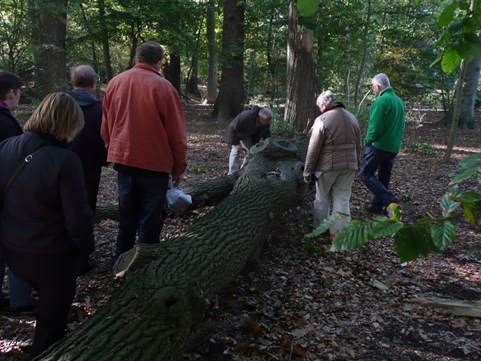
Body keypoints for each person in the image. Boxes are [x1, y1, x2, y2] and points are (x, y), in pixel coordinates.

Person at [0, 92, 95, 358]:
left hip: (13, 251)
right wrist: (85, 252)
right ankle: (46, 351)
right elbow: (79, 218)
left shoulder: (6, 146)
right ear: (69, 125)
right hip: (51, 257)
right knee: (51, 323)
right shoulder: (65, 161)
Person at [101, 41, 187, 260]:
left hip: (124, 159)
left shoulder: (115, 82)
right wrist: (179, 167)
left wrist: (113, 146)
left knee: (127, 212)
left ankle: (121, 259)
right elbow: (176, 134)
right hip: (155, 163)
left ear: (137, 59)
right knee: (150, 217)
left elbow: (106, 125)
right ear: (158, 62)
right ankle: (144, 264)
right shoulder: (165, 87)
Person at [0, 71, 38, 313]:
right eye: (19, 91)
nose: (20, 95)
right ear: (11, 92)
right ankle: (21, 299)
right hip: (6, 197)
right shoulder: (5, 123)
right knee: (16, 244)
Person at [303, 91, 361, 234]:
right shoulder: (352, 118)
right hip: (350, 165)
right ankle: (339, 232)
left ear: (324, 105)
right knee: (342, 198)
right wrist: (358, 164)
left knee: (322, 198)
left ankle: (319, 229)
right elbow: (359, 145)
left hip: (327, 166)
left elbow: (313, 148)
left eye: (320, 107)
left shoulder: (322, 120)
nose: (320, 110)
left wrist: (307, 171)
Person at [360, 73, 405, 214]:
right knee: (383, 177)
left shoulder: (381, 101)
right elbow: (402, 126)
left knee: (365, 173)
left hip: (379, 146)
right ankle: (376, 207)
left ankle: (389, 199)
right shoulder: (399, 101)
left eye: (373, 87)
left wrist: (368, 141)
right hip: (393, 147)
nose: (373, 90)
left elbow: (375, 127)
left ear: (378, 87)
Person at [68, 65, 107, 213]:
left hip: (57, 161)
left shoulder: (58, 104)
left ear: (73, 81)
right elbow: (104, 137)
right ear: (94, 83)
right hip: (89, 166)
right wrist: (104, 159)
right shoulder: (100, 109)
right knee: (87, 204)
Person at [226, 106, 272, 174]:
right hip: (238, 134)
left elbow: (266, 134)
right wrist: (235, 143)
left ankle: (243, 171)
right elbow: (231, 128)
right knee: (235, 151)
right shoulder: (246, 116)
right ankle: (232, 172)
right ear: (261, 118)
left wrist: (269, 143)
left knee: (250, 153)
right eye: (267, 120)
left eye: (270, 120)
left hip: (249, 136)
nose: (269, 122)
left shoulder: (266, 123)